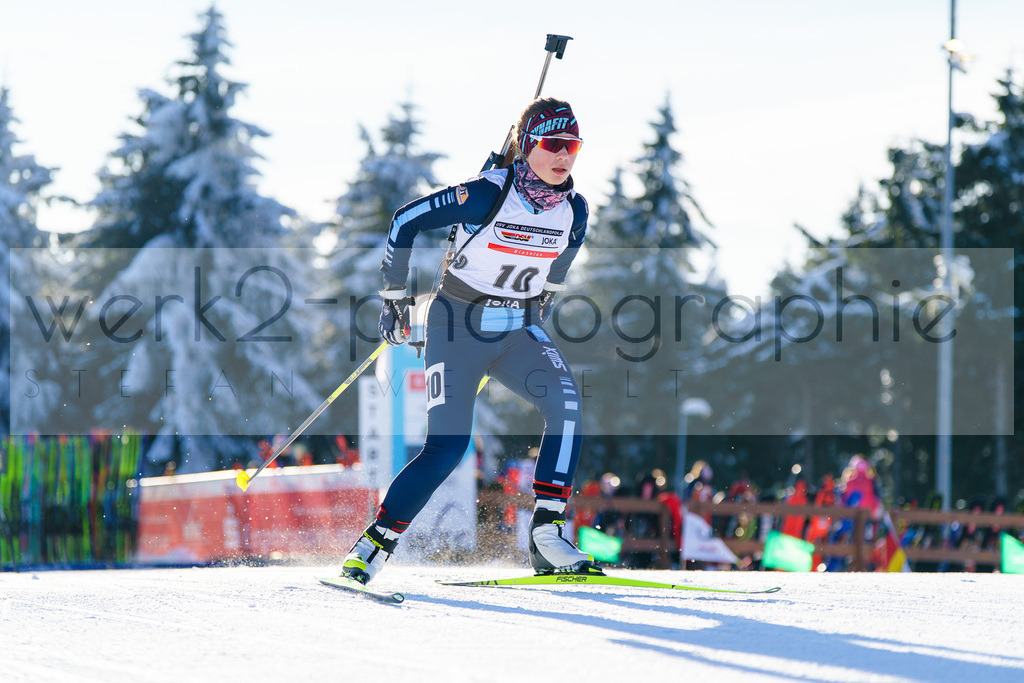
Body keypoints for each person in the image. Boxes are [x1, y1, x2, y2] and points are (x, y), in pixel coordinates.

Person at [340, 97, 599, 584]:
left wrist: (541, 298)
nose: (565, 156)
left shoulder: (575, 211)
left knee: (567, 408)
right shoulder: (486, 194)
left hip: (518, 329)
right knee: (448, 446)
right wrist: (394, 298)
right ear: (526, 146)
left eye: (574, 146)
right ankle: (372, 547)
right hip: (456, 327)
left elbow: (562, 260)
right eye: (554, 144)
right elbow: (404, 221)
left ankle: (547, 535)